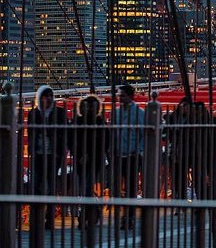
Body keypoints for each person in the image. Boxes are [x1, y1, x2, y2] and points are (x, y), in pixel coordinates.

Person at [27, 85, 68, 232]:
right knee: (36, 186)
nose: (49, 98)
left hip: (53, 154)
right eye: (46, 95)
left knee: (51, 186)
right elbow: (31, 132)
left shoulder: (60, 113)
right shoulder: (34, 113)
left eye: (51, 95)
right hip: (38, 153)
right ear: (40, 97)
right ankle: (36, 218)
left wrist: (62, 151)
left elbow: (65, 133)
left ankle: (49, 219)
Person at [71, 94, 108, 231]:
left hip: (93, 160)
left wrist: (86, 154)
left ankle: (84, 217)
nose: (90, 110)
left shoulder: (99, 122)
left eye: (92, 108)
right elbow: (72, 140)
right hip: (82, 160)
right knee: (85, 187)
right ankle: (94, 211)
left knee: (85, 188)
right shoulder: (80, 122)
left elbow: (103, 142)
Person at [113, 84, 144, 230]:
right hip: (118, 154)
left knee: (130, 187)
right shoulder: (116, 113)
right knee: (120, 187)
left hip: (132, 155)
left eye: (122, 95)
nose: (120, 98)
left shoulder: (139, 113)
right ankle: (125, 215)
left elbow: (144, 135)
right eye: (119, 95)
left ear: (130, 96)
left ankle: (128, 216)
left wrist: (138, 150)